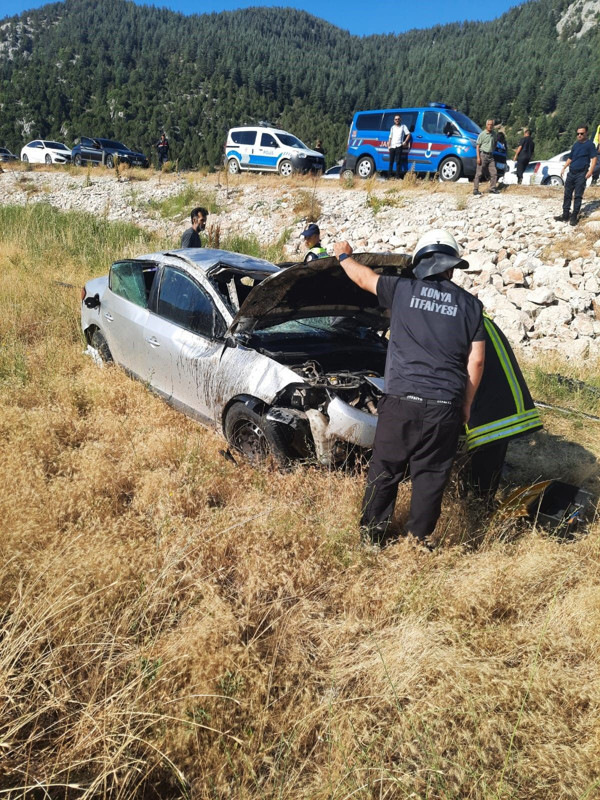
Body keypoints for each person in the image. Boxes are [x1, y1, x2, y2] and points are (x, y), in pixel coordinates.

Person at [333, 230, 486, 549]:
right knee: (431, 478)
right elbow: (477, 362)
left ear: (420, 262)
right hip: (445, 406)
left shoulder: (401, 289)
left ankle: (372, 539)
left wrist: (345, 256)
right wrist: (466, 405)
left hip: (401, 402)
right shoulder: (471, 306)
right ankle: (416, 544)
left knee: (385, 469)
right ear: (451, 267)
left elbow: (364, 278)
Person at [554, 125, 597, 226]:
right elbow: (571, 157)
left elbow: (594, 158)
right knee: (567, 194)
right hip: (571, 172)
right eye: (578, 133)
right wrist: (564, 167)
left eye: (582, 133)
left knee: (578, 195)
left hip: (581, 173)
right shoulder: (576, 145)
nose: (579, 135)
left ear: (586, 133)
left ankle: (574, 216)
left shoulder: (590, 145)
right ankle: (565, 215)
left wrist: (590, 171)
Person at [473, 119, 498, 196]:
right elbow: (477, 146)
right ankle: (475, 189)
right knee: (479, 173)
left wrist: (493, 149)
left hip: (491, 155)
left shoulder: (494, 134)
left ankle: (492, 188)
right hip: (483, 155)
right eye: (489, 124)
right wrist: (478, 157)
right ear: (486, 125)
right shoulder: (482, 134)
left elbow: (495, 142)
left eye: (491, 125)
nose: (490, 126)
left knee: (494, 173)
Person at [387, 114, 411, 179]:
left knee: (398, 162)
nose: (397, 120)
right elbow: (390, 137)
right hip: (392, 146)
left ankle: (397, 176)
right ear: (394, 120)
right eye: (396, 119)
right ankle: (389, 176)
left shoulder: (403, 126)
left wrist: (405, 141)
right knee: (391, 162)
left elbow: (408, 134)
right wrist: (388, 146)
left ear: (400, 119)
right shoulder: (392, 127)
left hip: (399, 146)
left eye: (398, 119)